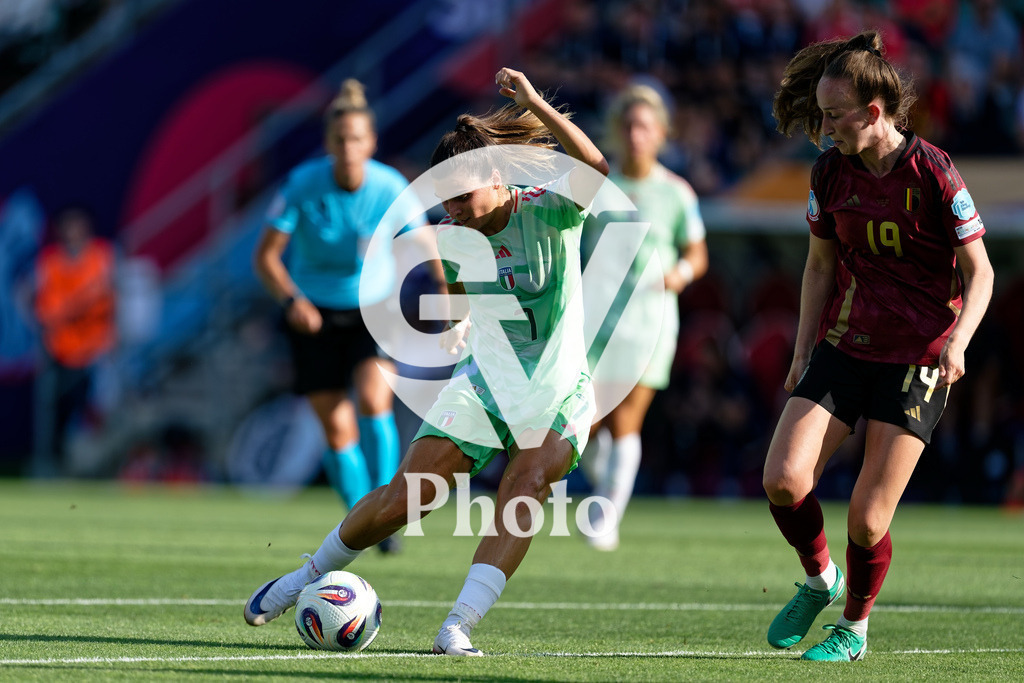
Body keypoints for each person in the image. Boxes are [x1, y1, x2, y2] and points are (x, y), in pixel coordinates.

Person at [245, 67, 609, 656]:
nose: (455, 212)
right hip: (488, 381)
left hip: (559, 386)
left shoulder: (551, 211)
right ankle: (301, 579)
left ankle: (456, 625)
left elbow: (596, 170)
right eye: (447, 203)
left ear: (497, 177)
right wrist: (463, 316)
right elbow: (474, 289)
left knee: (525, 483)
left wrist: (537, 103)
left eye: (462, 198)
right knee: (402, 501)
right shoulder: (455, 230)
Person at [763, 30, 993, 661]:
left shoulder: (936, 171)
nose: (823, 127)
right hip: (846, 343)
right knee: (783, 479)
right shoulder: (829, 171)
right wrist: (803, 349)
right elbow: (817, 267)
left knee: (867, 518)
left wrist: (960, 342)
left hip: (918, 356)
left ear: (873, 112)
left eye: (833, 116)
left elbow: (982, 272)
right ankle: (819, 580)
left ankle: (855, 629)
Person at [254, 79, 436, 552]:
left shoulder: (389, 186)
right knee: (337, 429)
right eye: (340, 139)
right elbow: (267, 257)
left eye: (357, 138)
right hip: (311, 313)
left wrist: (453, 297)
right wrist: (293, 301)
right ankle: (360, 521)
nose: (349, 147)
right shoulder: (302, 185)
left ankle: (387, 515)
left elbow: (425, 243)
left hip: (371, 307)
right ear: (328, 143)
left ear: (371, 143)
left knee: (376, 400)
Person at [581, 83, 707, 550]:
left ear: (661, 134)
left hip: (648, 322)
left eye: (646, 127)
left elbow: (697, 252)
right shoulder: (600, 188)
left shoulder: (676, 192)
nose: (636, 135)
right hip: (593, 322)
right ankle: (605, 485)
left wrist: (681, 272)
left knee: (627, 420)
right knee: (582, 424)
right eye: (629, 125)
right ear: (617, 130)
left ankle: (606, 516)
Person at [32, 206, 116, 476]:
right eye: (69, 227)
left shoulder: (101, 256)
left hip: (95, 351)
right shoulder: (51, 262)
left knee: (98, 416)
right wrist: (80, 300)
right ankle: (52, 467)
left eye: (79, 226)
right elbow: (49, 310)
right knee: (53, 413)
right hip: (60, 350)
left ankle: (97, 470)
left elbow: (107, 296)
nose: (74, 232)